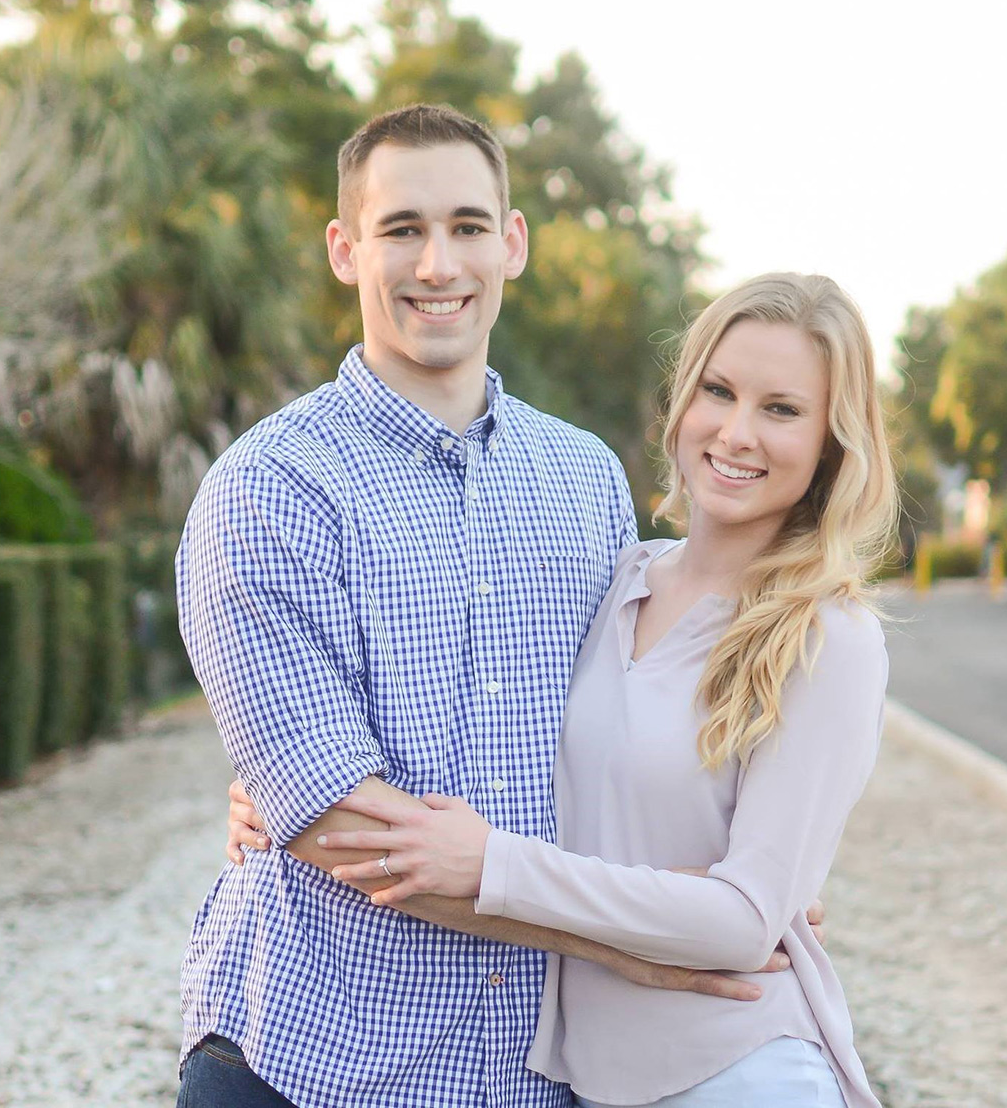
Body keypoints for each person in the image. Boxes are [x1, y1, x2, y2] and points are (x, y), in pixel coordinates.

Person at [177, 104, 816, 1108]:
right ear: (346, 251)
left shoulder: (588, 481)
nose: (439, 264)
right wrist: (633, 941)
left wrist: (745, 879)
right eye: (402, 230)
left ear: (511, 244)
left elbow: (638, 730)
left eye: (469, 226)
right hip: (321, 1059)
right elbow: (346, 826)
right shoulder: (268, 490)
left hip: (541, 1070)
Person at [231, 273, 896, 1106]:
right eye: (718, 391)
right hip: (584, 1084)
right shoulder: (617, 581)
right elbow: (496, 717)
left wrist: (494, 865)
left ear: (834, 444)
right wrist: (285, 785)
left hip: (736, 1070)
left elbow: (742, 923)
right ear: (682, 402)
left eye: (782, 409)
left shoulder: (829, 636)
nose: (735, 432)